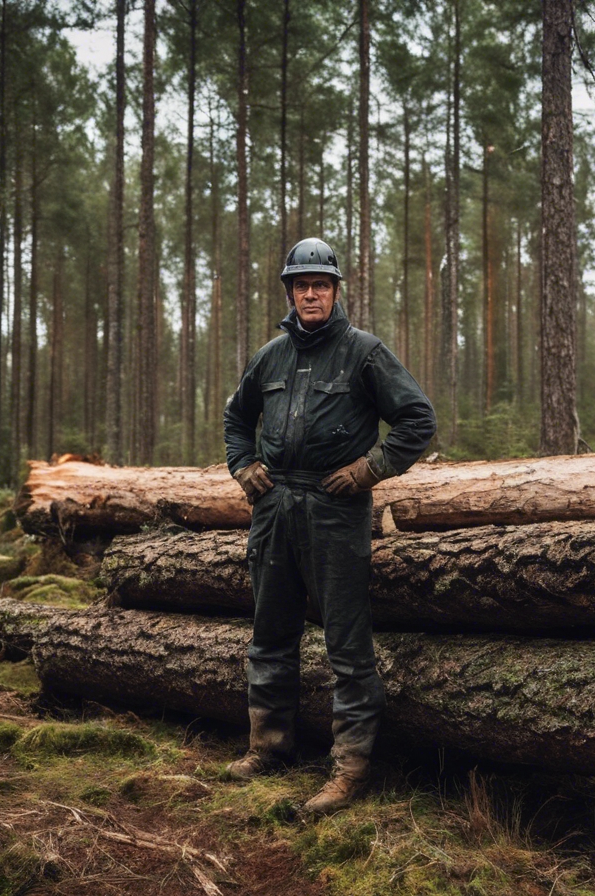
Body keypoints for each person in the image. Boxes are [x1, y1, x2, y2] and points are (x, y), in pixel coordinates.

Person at [223, 237, 436, 815]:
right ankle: (268, 748)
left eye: (320, 285)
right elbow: (236, 417)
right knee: (270, 633)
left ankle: (349, 770)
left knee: (346, 644)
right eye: (300, 285)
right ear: (289, 293)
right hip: (273, 510)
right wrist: (242, 465)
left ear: (336, 290)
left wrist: (372, 468)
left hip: (335, 510)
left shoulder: (364, 353)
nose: (310, 294)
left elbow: (417, 418)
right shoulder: (269, 356)